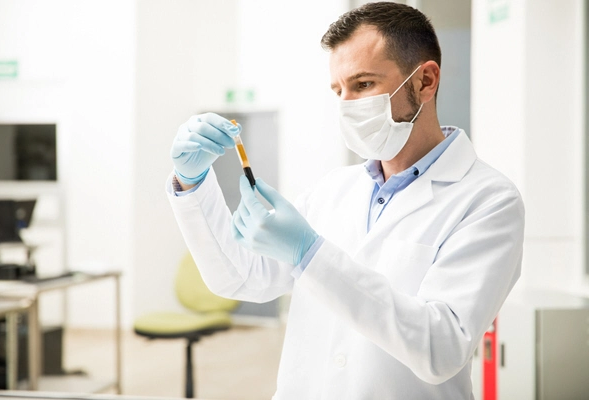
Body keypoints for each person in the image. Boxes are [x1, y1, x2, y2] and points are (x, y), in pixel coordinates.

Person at [166, 2, 524, 399]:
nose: (348, 104)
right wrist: (192, 181)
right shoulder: (332, 190)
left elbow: (440, 347)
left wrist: (310, 254)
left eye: (364, 84)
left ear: (425, 80)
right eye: (339, 90)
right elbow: (241, 277)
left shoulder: (489, 200)